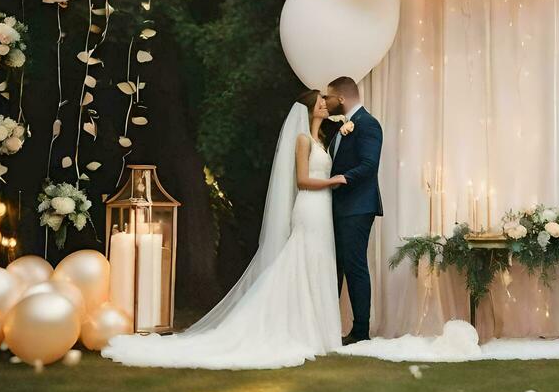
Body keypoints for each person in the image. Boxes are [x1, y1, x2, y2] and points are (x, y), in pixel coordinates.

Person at [103, 90, 347, 369]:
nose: (325, 106)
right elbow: (303, 180)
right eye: (320, 103)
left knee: (318, 261)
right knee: (302, 260)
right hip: (310, 206)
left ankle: (317, 329)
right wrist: (332, 181)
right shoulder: (303, 140)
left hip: (322, 209)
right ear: (308, 110)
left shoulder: (321, 139)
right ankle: (294, 326)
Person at [323, 75, 383, 344]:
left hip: (358, 206)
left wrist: (341, 178)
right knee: (335, 265)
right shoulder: (342, 127)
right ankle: (326, 325)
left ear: (342, 98)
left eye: (329, 96)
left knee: (355, 266)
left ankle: (361, 331)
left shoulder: (368, 124)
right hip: (339, 206)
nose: (326, 101)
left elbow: (370, 164)